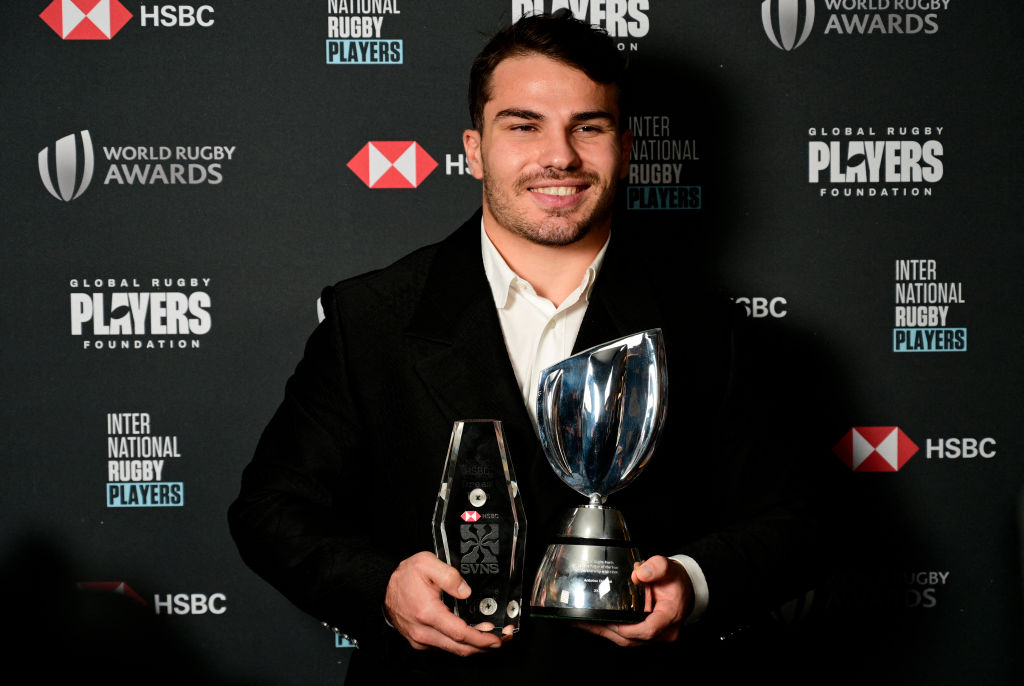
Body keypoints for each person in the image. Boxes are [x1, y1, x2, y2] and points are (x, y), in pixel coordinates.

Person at [229, 11, 836, 684]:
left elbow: (799, 517)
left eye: (589, 127)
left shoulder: (704, 326)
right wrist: (381, 587)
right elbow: (271, 512)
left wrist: (692, 585)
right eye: (524, 125)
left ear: (626, 148)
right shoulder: (370, 316)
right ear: (474, 148)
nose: (560, 156)